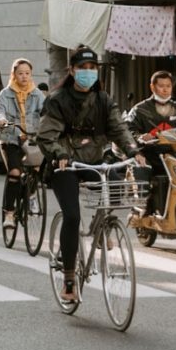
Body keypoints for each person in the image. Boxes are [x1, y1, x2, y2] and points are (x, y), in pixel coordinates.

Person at [36, 46, 147, 302]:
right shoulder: (57, 100)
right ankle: (69, 278)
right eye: (82, 68)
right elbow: (46, 135)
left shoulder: (104, 100)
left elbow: (119, 128)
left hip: (95, 162)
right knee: (72, 216)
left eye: (92, 68)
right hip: (66, 166)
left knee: (117, 190)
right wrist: (59, 154)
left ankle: (101, 229)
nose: (88, 73)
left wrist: (133, 150)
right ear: (72, 71)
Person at [126, 71, 176, 215]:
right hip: (149, 154)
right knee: (141, 167)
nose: (165, 89)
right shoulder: (140, 110)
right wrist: (140, 137)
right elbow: (128, 131)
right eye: (161, 86)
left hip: (173, 153)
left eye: (168, 86)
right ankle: (142, 202)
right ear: (152, 87)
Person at [0, 58, 45, 228]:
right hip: (10, 138)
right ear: (14, 74)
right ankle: (9, 213)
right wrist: (0, 120)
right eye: (20, 73)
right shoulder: (5, 93)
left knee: (35, 168)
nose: (24, 77)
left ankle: (31, 195)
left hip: (31, 139)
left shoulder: (37, 94)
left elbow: (47, 112)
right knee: (14, 172)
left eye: (27, 73)